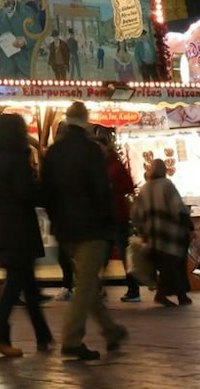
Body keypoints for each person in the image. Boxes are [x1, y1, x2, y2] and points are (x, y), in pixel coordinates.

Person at [42, 102, 127, 361]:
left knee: (88, 282)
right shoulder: (91, 151)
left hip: (65, 229)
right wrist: (108, 224)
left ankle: (111, 330)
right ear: (86, 120)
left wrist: (56, 220)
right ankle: (71, 341)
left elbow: (46, 192)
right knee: (85, 285)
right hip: (91, 228)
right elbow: (101, 192)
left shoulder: (54, 152)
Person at [0, 112, 52, 358]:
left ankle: (43, 336)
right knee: (14, 285)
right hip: (19, 230)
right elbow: (27, 193)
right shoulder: (18, 160)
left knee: (28, 285)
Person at [131, 158, 192, 307]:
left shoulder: (145, 189)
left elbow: (135, 214)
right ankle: (173, 295)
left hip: (152, 238)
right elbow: (178, 208)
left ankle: (177, 295)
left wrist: (142, 230)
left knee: (164, 267)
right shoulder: (167, 185)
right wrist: (189, 226)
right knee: (176, 265)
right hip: (170, 235)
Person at [100, 128, 142, 304]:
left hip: (116, 215)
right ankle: (100, 288)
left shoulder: (113, 165)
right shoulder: (106, 165)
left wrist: (111, 187)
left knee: (121, 252)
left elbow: (128, 186)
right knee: (105, 253)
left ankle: (132, 289)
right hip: (109, 215)